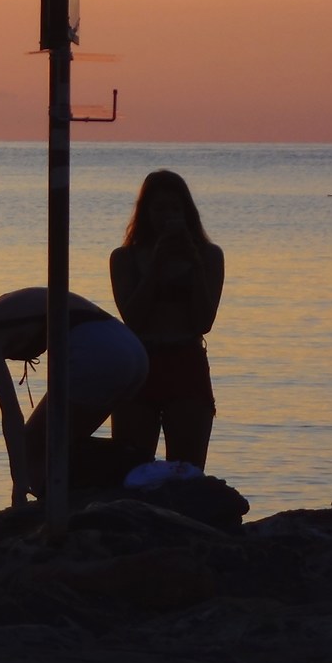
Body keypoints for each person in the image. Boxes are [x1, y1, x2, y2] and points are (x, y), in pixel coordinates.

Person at [0, 261, 148, 506]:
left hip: (97, 354)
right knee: (60, 442)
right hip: (132, 350)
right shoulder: (0, 306)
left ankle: (57, 508)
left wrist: (19, 482)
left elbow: (12, 415)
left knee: (32, 448)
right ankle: (129, 466)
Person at [109, 171, 225, 470]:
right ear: (145, 213)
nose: (167, 217)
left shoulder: (209, 256)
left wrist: (194, 265)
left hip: (186, 362)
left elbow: (203, 321)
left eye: (175, 209)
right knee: (130, 469)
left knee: (187, 473)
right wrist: (156, 266)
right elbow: (133, 317)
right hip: (139, 364)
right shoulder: (124, 258)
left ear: (188, 213)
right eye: (159, 209)